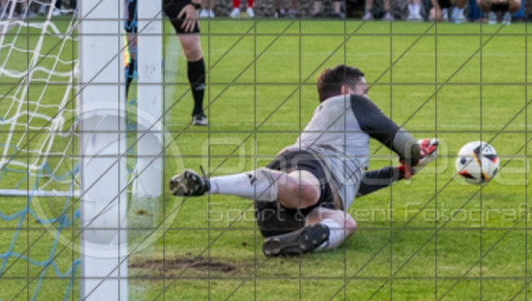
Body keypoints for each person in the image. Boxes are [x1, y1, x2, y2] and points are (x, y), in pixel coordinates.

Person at [169, 64, 439, 257]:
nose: (368, 97)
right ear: (347, 91)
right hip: (305, 167)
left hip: (278, 220)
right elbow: (404, 144)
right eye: (364, 90)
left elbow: (357, 184)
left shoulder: (346, 138)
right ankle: (205, 184)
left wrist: (400, 172)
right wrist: (419, 154)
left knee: (346, 223)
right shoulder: (351, 104)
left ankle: (298, 242)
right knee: (306, 189)